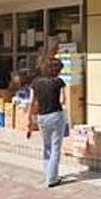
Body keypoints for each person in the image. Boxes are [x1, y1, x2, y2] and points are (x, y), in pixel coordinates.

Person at [27, 50, 66, 188]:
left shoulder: (36, 82)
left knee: (47, 147)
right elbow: (63, 100)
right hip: (56, 115)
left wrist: (29, 121)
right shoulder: (59, 82)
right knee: (56, 148)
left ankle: (49, 174)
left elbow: (31, 102)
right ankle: (52, 179)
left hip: (42, 117)